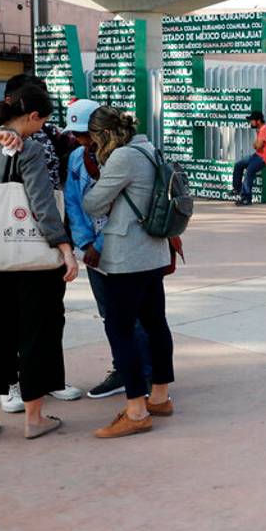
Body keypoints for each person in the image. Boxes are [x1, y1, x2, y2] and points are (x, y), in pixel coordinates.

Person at [0, 85, 79, 444]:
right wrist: (65, 248)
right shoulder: (29, 148)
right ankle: (34, 419)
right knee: (37, 334)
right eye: (41, 122)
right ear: (32, 116)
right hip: (33, 259)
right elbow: (41, 203)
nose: (40, 129)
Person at [82, 106, 176, 438]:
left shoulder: (121, 158)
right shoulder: (149, 149)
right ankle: (160, 397)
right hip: (154, 250)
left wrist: (100, 181)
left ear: (104, 134)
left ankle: (136, 411)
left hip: (128, 257)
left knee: (119, 329)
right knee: (155, 323)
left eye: (94, 138)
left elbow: (93, 203)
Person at [61, 99, 152, 399]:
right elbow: (73, 201)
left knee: (135, 316)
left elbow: (120, 208)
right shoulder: (77, 158)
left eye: (84, 133)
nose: (79, 139)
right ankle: (123, 369)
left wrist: (99, 244)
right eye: (75, 134)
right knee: (109, 315)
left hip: (124, 247)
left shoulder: (122, 157)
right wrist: (85, 242)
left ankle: (145, 374)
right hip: (93, 252)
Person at [231, 110, 266, 205]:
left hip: (265, 157)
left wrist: (257, 145)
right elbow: (256, 145)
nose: (250, 122)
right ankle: (237, 189)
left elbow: (257, 145)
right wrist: (257, 145)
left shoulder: (265, 129)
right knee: (238, 165)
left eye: (252, 120)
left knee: (249, 171)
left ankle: (246, 198)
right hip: (258, 155)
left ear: (258, 121)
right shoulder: (260, 130)